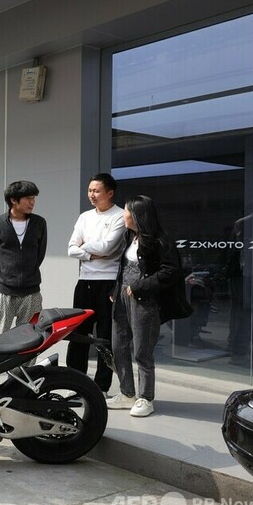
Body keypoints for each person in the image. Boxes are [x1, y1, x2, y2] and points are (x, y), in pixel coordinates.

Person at [106, 195, 185, 418]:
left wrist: (140, 286)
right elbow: (123, 268)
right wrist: (115, 290)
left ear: (137, 215)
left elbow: (171, 271)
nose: (123, 215)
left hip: (145, 301)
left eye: (126, 211)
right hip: (122, 298)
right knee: (118, 346)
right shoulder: (129, 236)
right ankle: (127, 393)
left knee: (142, 351)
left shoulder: (160, 241)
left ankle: (145, 398)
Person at [66, 173, 125, 396]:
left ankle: (101, 387)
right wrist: (91, 254)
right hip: (85, 281)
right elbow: (71, 248)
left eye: (96, 191)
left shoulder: (119, 216)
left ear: (110, 193)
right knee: (78, 333)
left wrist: (84, 247)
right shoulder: (84, 217)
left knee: (105, 336)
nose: (92, 194)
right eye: (90, 190)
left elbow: (108, 247)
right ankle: (74, 382)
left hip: (108, 283)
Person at [0, 181, 47, 335]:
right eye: (28, 198)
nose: (32, 202)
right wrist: (5, 271)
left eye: (34, 198)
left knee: (30, 336)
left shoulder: (39, 223)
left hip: (31, 291)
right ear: (13, 200)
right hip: (4, 291)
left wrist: (29, 271)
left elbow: (40, 254)